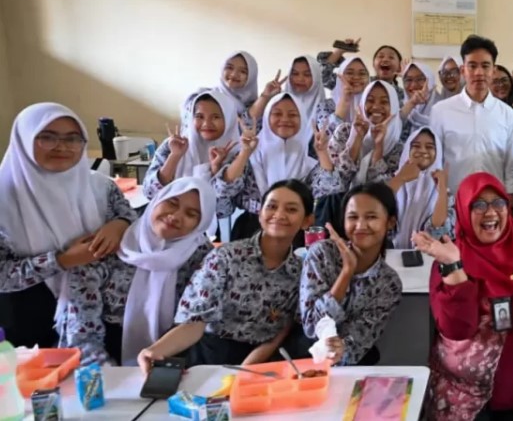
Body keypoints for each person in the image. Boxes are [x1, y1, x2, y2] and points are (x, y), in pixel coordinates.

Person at [413, 172, 513, 420]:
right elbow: (456, 329)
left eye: (498, 203)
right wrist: (454, 267)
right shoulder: (448, 257)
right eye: (478, 205)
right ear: (462, 209)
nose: (490, 212)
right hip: (459, 398)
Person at [0, 103, 138, 359]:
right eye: (47, 137)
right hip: (30, 314)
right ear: (24, 138)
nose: (62, 147)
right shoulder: (4, 198)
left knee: (102, 387)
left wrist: (119, 225)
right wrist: (62, 260)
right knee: (42, 392)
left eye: (73, 139)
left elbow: (129, 215)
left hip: (100, 307)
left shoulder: (101, 187)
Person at [139, 180, 316, 370]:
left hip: (260, 360)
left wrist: (246, 369)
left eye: (291, 210)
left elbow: (281, 331)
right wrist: (155, 350)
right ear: (260, 213)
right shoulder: (226, 257)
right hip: (208, 355)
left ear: (307, 221)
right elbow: (195, 322)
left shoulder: (301, 271)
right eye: (271, 206)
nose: (279, 215)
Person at [101, 177, 215, 366]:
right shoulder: (117, 240)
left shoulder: (204, 257)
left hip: (174, 349)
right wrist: (101, 364)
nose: (176, 216)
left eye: (191, 214)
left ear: (201, 223)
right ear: (157, 199)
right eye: (172, 203)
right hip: (104, 349)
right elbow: (82, 311)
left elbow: (196, 318)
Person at [215, 93, 348, 240]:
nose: (285, 120)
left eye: (292, 115)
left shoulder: (310, 156)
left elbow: (331, 186)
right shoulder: (250, 153)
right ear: (266, 117)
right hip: (251, 231)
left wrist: (323, 152)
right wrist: (245, 152)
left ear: (302, 119)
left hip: (297, 232)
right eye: (277, 114)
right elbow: (223, 194)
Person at [301, 183, 402, 366]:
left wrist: (341, 349)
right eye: (352, 217)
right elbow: (311, 326)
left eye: (371, 217)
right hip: (304, 358)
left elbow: (360, 339)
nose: (360, 225)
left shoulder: (388, 282)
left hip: (351, 365)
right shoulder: (322, 254)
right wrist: (346, 272)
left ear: (390, 222)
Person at [431, 35, 513, 195]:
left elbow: (512, 164)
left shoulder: (507, 114)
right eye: (472, 66)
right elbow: (435, 161)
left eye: (485, 66)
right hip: (453, 201)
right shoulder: (441, 111)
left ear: (493, 71)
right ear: (462, 71)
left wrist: (511, 198)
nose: (479, 72)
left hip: (493, 203)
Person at [144, 91, 239, 201]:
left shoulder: (236, 154)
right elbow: (150, 193)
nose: (206, 124)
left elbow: (224, 209)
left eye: (216, 117)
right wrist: (175, 156)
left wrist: (215, 170)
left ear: (228, 119)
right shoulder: (173, 144)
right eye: (199, 116)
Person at [382, 127, 452, 245]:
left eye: (430, 147)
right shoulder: (390, 180)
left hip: (425, 257)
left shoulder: (443, 189)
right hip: (388, 254)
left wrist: (442, 190)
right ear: (407, 150)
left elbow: (436, 230)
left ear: (438, 152)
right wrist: (401, 178)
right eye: (416, 145)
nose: (423, 151)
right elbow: (377, 209)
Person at [180, 51, 258, 126]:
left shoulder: (257, 106)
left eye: (243, 71)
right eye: (229, 68)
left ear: (251, 77)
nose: (234, 74)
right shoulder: (203, 96)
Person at [351, 81, 405, 183]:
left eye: (384, 102)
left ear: (394, 107)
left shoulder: (399, 148)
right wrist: (357, 138)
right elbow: (339, 181)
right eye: (370, 100)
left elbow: (383, 189)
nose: (376, 107)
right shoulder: (344, 133)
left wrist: (378, 146)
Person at [284, 55, 325, 135]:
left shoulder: (326, 109)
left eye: (307, 74)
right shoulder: (277, 104)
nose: (300, 79)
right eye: (295, 74)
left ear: (316, 77)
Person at [400, 61, 437, 129]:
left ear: (430, 81)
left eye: (420, 79)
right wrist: (412, 103)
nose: (414, 85)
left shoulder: (442, 108)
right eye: (408, 80)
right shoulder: (399, 107)